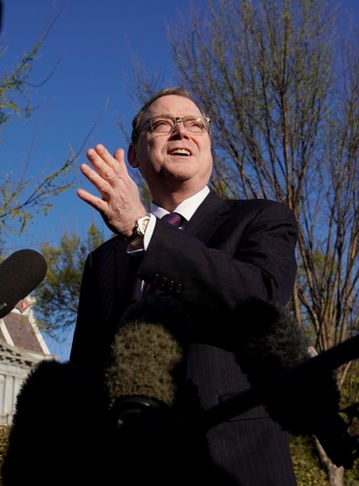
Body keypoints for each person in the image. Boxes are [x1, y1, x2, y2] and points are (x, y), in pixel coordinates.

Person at [71, 87, 298, 484]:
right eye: (162, 124)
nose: (181, 132)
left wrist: (144, 231)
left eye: (195, 124)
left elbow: (261, 299)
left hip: (234, 464)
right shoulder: (102, 261)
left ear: (208, 146)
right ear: (136, 154)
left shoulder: (261, 218)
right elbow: (85, 374)